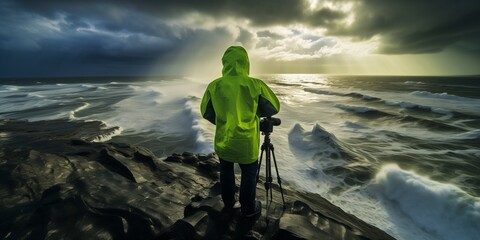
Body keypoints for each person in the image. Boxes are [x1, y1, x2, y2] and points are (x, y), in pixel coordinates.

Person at [200, 46, 280, 217]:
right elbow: (274, 107)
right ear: (246, 63)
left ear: (225, 63)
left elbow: (206, 112)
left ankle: (228, 204)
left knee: (226, 171)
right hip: (247, 141)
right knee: (249, 174)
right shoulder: (255, 85)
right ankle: (248, 209)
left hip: (225, 139)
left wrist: (224, 121)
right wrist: (256, 112)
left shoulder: (214, 86)